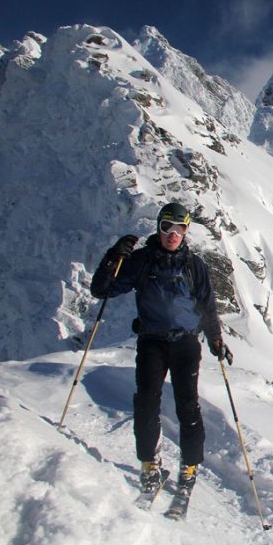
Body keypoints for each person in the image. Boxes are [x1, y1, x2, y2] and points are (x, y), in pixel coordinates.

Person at [90, 202, 230, 495]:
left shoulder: (194, 266)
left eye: (179, 228)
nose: (173, 234)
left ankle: (189, 466)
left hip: (186, 343)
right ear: (159, 227)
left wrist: (215, 338)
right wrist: (114, 257)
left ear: (186, 231)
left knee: (188, 406)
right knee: (146, 405)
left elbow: (207, 306)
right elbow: (103, 289)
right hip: (152, 341)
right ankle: (149, 464)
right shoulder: (142, 261)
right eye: (168, 227)